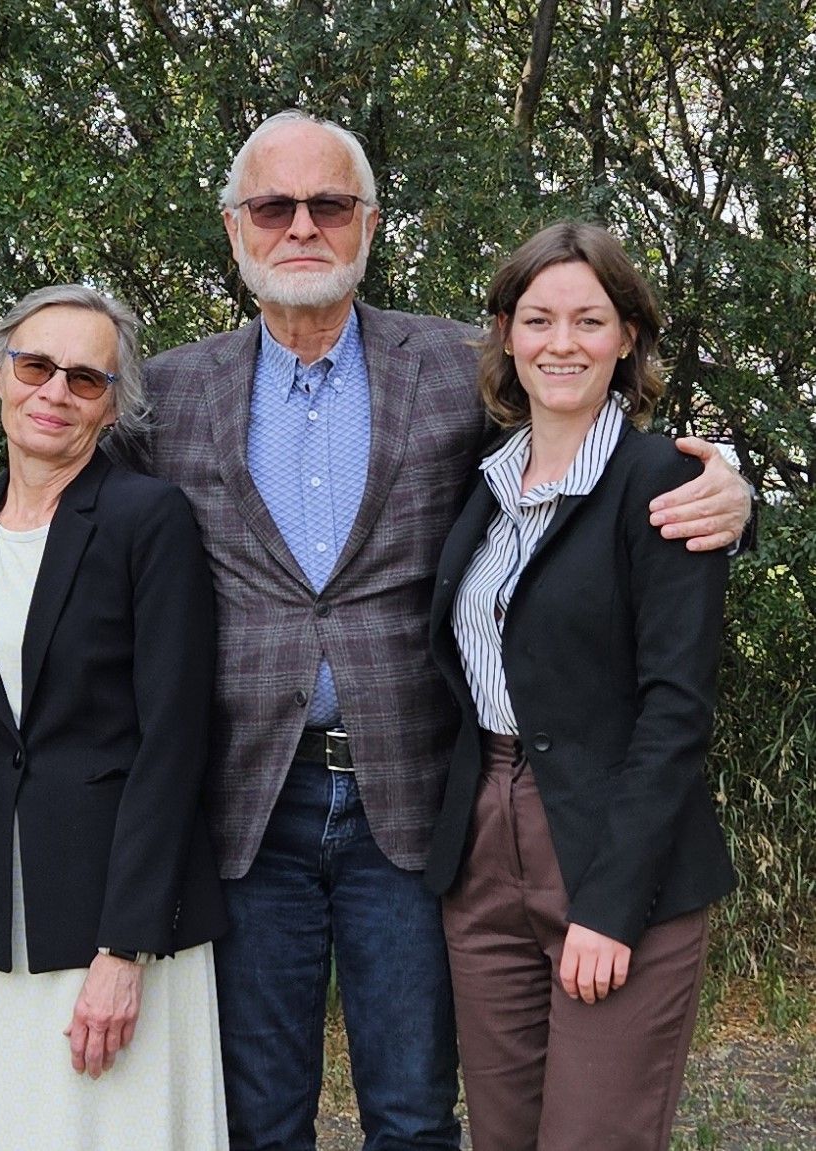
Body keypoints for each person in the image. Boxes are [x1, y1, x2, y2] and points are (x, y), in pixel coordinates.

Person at [104, 110, 753, 1150]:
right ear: (233, 228)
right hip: (244, 805)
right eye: (275, 206)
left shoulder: (455, 368)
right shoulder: (169, 393)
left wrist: (729, 486)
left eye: (329, 205)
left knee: (412, 1111)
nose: (302, 227)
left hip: (411, 804)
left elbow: (592, 447)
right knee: (258, 1115)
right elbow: (56, 497)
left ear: (368, 224)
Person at [423, 221, 736, 1150]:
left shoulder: (667, 484)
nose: (561, 343)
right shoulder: (479, 480)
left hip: (612, 848)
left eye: (589, 320)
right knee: (503, 1135)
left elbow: (676, 712)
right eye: (537, 318)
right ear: (506, 335)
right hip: (482, 840)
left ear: (628, 336)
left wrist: (608, 905)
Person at [0, 285, 229, 1150]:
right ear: (0, 375)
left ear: (113, 403)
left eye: (86, 378)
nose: (55, 391)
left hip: (114, 917)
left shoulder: (148, 519)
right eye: (36, 366)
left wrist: (124, 952)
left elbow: (173, 741)